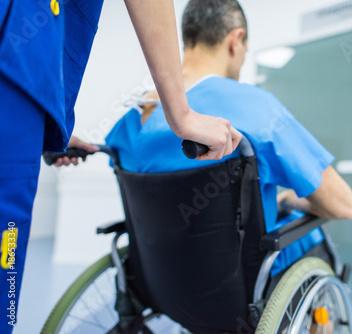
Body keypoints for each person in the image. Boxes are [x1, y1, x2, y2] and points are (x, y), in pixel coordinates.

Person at [0, 0, 240, 331]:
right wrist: (181, 116)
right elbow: (335, 199)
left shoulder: (131, 119)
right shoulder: (244, 113)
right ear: (236, 40)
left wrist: (46, 129)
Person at [105, 0, 352, 281]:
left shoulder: (129, 121)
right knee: (309, 235)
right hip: (240, 286)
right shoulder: (255, 108)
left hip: (163, 281)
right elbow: (343, 204)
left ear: (188, 37)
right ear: (236, 41)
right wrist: (290, 200)